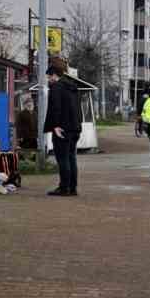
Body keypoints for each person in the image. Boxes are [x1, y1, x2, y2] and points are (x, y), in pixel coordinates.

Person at [44, 58, 81, 196]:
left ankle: (64, 187)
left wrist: (56, 126)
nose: (48, 79)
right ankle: (72, 187)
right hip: (75, 128)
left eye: (49, 76)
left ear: (54, 75)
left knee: (63, 158)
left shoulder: (56, 88)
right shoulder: (73, 87)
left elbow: (55, 109)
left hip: (62, 129)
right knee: (71, 157)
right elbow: (78, 109)